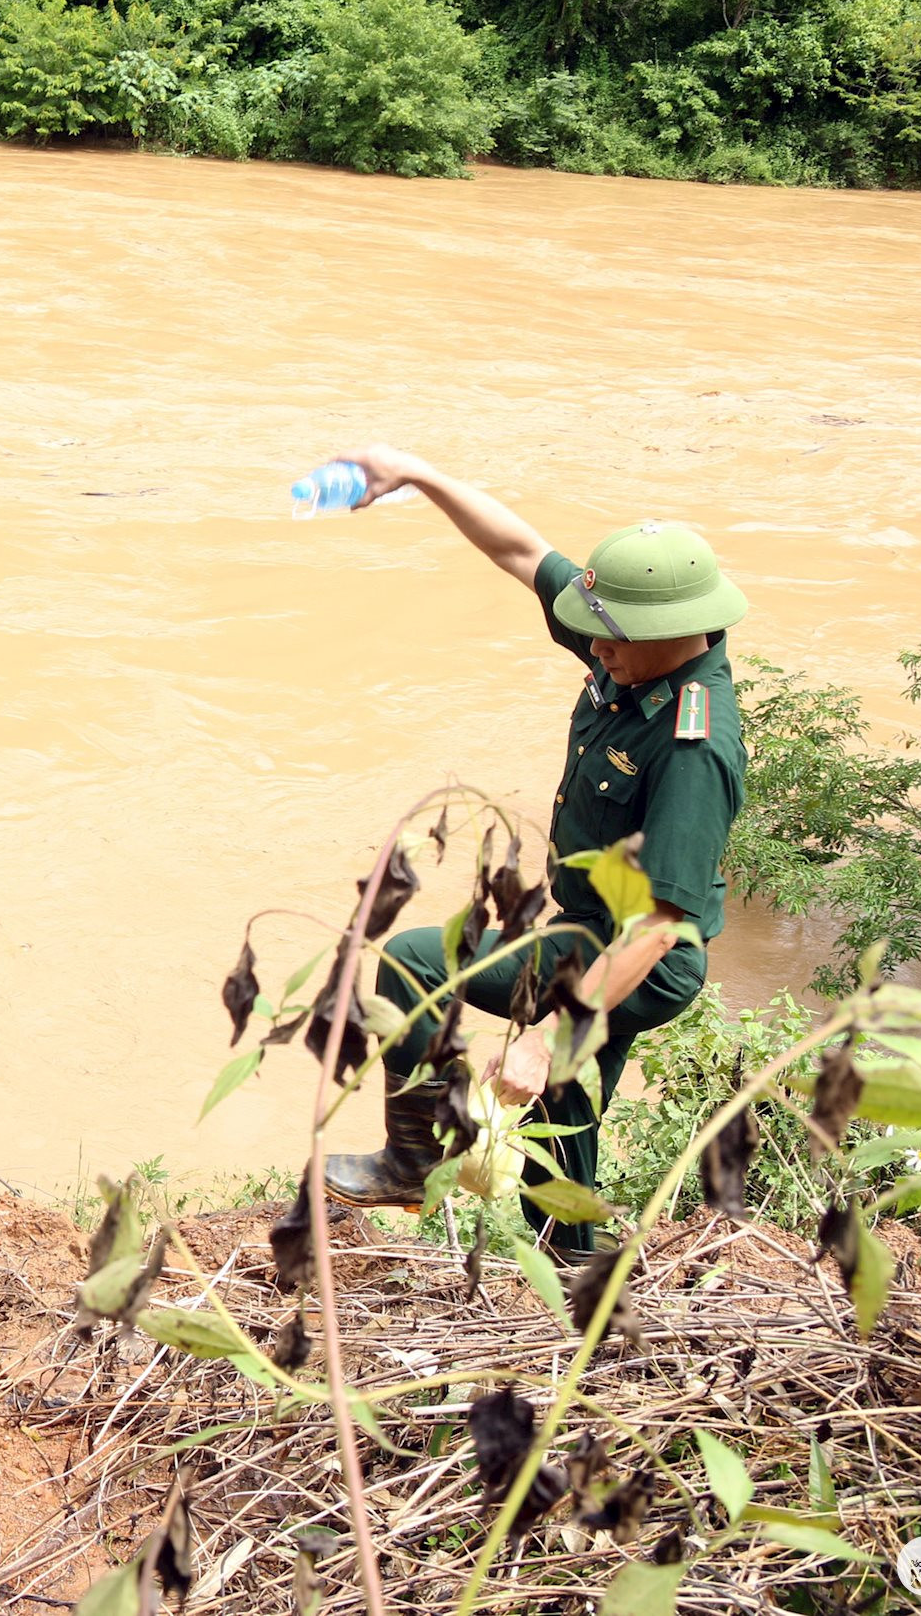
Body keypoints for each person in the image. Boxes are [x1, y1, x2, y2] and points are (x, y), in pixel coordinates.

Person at [318, 444, 749, 1260]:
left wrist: (548, 1032)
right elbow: (521, 551)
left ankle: (433, 1174)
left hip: (639, 957)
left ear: (668, 631)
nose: (594, 647)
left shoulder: (693, 741)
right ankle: (557, 1249)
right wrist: (419, 474)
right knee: (562, 1118)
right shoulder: (628, 653)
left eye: (610, 638)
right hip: (588, 927)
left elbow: (658, 926)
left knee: (422, 963)